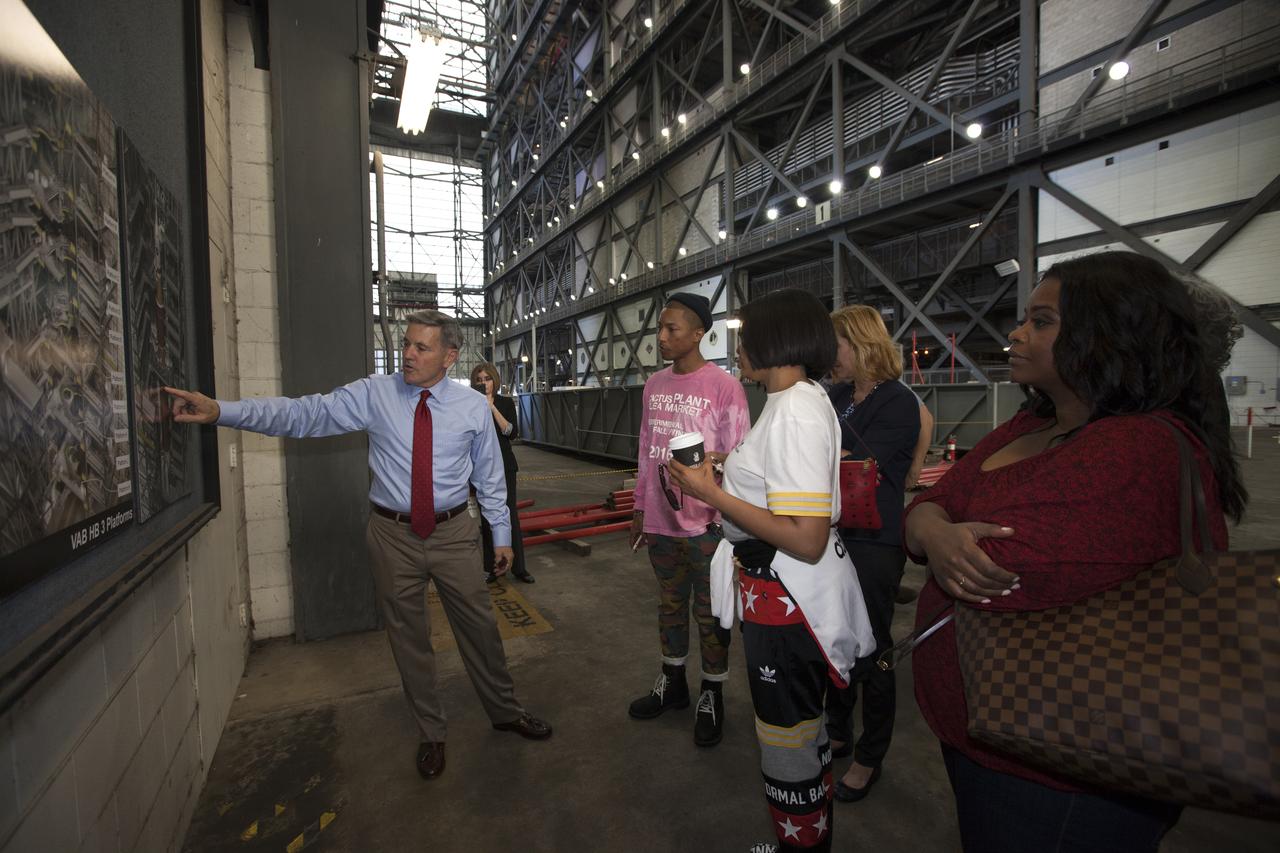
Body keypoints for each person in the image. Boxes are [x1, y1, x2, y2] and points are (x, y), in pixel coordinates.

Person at [902, 251, 1246, 852]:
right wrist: (934, 532)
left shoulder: (1135, 449)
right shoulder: (1028, 425)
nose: (1015, 333)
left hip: (1063, 772)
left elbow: (1004, 570)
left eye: (1041, 321)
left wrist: (940, 531)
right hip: (987, 738)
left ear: (1106, 335)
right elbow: (926, 510)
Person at [164, 309, 552, 784]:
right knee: (409, 641)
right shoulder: (374, 394)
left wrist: (503, 536)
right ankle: (431, 732)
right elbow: (303, 414)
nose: (407, 354)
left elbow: (491, 477)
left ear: (449, 356)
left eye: (421, 347)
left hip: (453, 535)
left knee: (482, 630)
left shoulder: (472, 407)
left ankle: (505, 710)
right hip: (392, 537)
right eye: (407, 344)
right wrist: (222, 410)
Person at [669, 288, 874, 853]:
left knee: (788, 739)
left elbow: (805, 537)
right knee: (798, 738)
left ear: (775, 340)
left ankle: (799, 843)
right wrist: (725, 472)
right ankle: (803, 839)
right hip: (779, 596)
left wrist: (709, 490)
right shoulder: (795, 402)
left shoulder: (796, 412)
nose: (737, 350)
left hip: (788, 600)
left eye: (746, 337)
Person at [628, 292, 750, 747]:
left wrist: (730, 523)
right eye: (660, 328)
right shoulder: (654, 385)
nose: (661, 337)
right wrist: (640, 507)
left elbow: (742, 458)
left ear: (699, 333)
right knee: (670, 604)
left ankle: (712, 692)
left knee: (712, 613)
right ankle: (673, 683)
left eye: (671, 329)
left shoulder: (725, 387)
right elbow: (645, 450)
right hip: (661, 522)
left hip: (708, 526)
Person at [823, 305, 920, 803]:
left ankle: (869, 754)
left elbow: (852, 464)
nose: (827, 355)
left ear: (860, 343)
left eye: (833, 343)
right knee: (836, 638)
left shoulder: (898, 402)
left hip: (876, 541)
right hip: (835, 535)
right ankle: (838, 728)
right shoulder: (838, 394)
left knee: (873, 647)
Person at [471, 362, 533, 584]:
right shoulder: (470, 404)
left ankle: (519, 568)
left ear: (494, 381)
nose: (483, 383)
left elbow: (511, 432)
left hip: (505, 466)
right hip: (480, 467)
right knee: (487, 518)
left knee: (510, 517)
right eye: (479, 380)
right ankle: (491, 567)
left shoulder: (506, 403)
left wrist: (491, 407)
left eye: (487, 379)